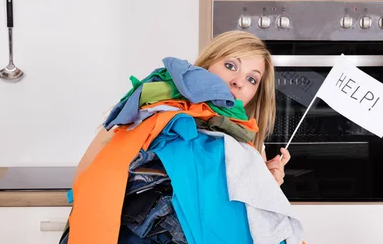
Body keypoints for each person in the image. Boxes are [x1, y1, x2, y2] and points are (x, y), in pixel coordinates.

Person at [74, 30, 291, 185]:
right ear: (206, 65)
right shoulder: (153, 107)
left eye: (252, 79)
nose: (239, 82)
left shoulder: (250, 140)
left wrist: (269, 182)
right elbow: (86, 173)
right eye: (230, 66)